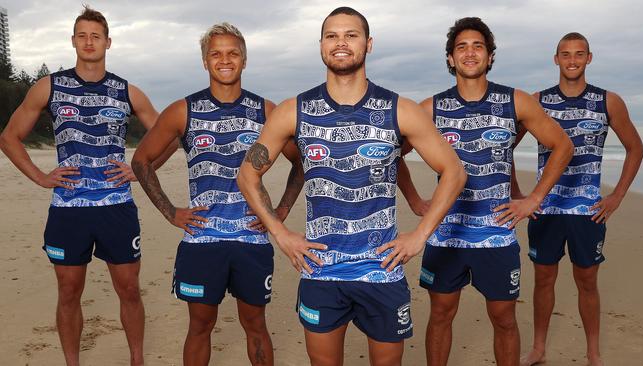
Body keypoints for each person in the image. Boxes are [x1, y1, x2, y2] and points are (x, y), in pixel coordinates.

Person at [237, 7, 467, 366]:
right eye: (331, 36)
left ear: (368, 44)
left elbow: (454, 171)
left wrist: (420, 234)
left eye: (351, 35)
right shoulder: (293, 111)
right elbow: (247, 176)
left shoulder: (399, 110)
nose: (340, 42)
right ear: (321, 46)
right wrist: (280, 233)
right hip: (320, 269)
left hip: (382, 269)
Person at [0, 6, 170, 366]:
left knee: (128, 290)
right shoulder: (49, 86)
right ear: (73, 41)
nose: (89, 41)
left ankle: (136, 360)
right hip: (68, 209)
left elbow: (167, 137)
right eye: (82, 35)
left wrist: (139, 171)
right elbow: (10, 137)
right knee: (68, 291)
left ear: (108, 42)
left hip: (116, 208)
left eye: (96, 35)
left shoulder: (126, 91)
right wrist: (41, 177)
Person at [399, 17, 573, 366]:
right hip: (446, 235)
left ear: (490, 56)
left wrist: (533, 199)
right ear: (450, 58)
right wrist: (416, 200)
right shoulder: (430, 109)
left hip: (496, 236)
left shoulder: (516, 102)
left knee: (504, 318)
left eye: (478, 46)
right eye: (461, 47)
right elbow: (392, 154)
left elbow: (562, 146)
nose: (469, 52)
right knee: (441, 315)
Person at [131, 23, 304, 366]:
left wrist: (280, 210)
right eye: (216, 54)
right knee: (200, 326)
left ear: (244, 59)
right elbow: (141, 161)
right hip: (201, 242)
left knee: (255, 325)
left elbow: (302, 163)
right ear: (204, 61)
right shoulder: (185, 110)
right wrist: (171, 212)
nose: (225, 60)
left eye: (232, 53)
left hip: (251, 241)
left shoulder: (265, 111)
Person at [517, 32, 643, 366]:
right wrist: (519, 194)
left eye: (578, 54)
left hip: (587, 210)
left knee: (587, 280)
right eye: (565, 54)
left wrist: (617, 195)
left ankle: (593, 355)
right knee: (543, 279)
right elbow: (504, 148)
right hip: (546, 209)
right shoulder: (537, 101)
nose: (572, 60)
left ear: (589, 58)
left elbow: (635, 147)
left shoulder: (608, 101)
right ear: (556, 59)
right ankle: (539, 349)